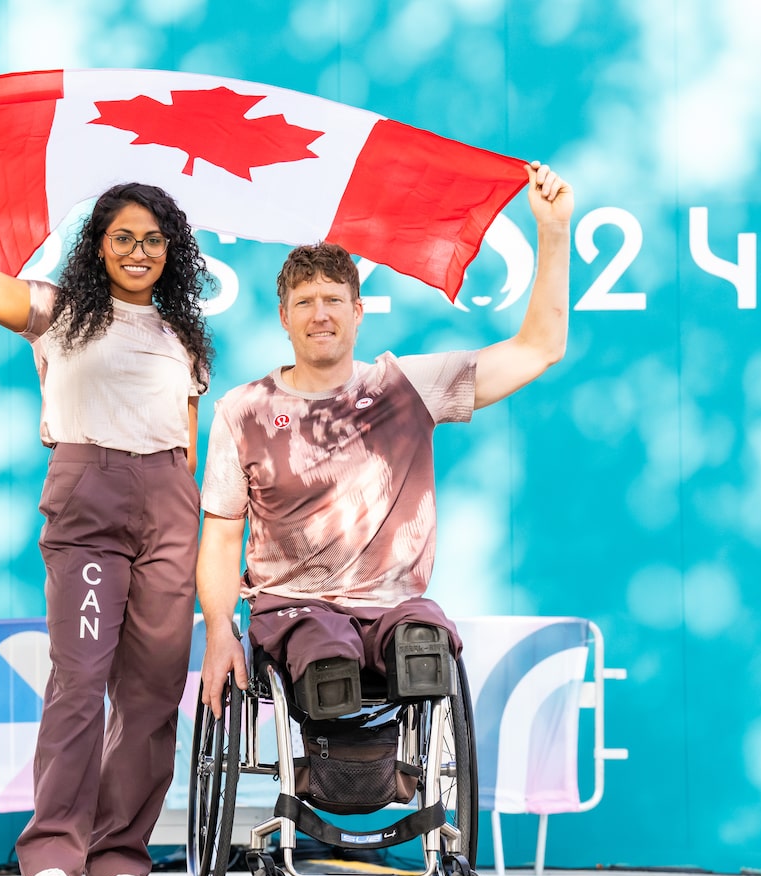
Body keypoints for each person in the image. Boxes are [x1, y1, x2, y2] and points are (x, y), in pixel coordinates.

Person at [0, 112, 214, 876]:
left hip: (169, 505)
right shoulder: (59, 310)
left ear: (173, 252)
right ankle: (53, 858)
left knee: (154, 688)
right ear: (99, 244)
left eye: (155, 239)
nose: (140, 251)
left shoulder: (185, 338)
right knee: (80, 677)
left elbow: (191, 448)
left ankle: (119, 858)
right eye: (125, 237)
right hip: (89, 499)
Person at [196, 161, 572, 722]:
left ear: (358, 313)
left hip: (392, 609)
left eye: (333, 300)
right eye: (304, 302)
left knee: (423, 640)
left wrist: (554, 230)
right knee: (327, 655)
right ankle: (333, 777)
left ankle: (403, 784)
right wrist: (220, 635)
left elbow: (538, 348)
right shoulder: (242, 411)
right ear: (284, 316)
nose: (319, 314)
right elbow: (223, 539)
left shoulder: (407, 387)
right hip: (293, 611)